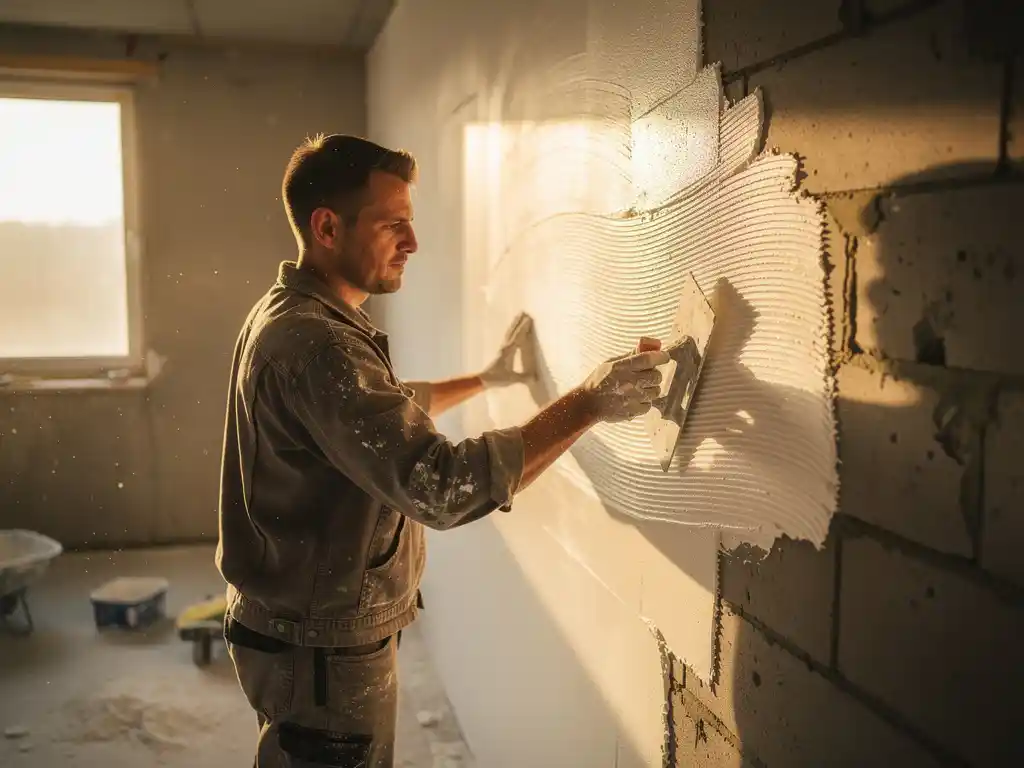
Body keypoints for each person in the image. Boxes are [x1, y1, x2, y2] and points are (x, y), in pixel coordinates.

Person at [215, 133, 668, 767]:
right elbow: (439, 486)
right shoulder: (321, 348)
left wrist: (489, 379)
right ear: (326, 227)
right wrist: (590, 401)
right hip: (320, 655)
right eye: (392, 224)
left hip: (298, 633)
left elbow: (375, 412)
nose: (413, 242)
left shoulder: (290, 314)